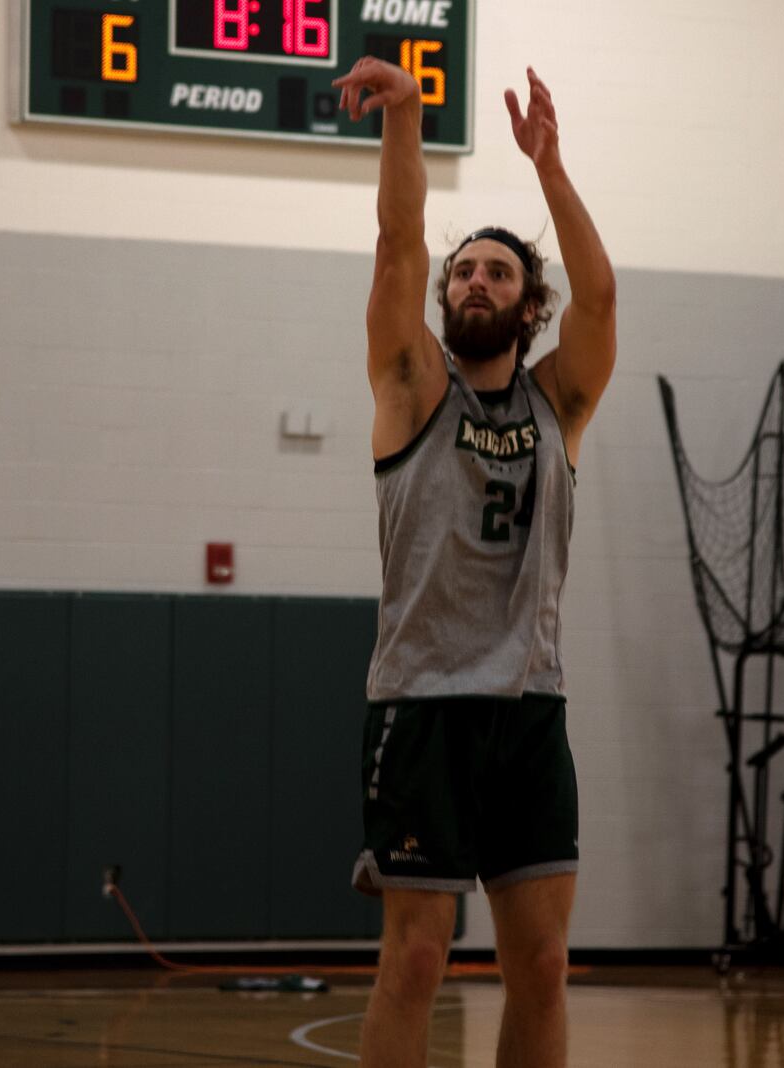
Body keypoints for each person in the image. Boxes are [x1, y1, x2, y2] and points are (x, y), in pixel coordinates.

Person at [333, 55, 616, 1068]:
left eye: (497, 271)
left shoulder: (559, 402)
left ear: (525, 306)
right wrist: (405, 117)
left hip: (530, 705)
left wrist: (549, 167)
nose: (474, 280)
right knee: (414, 962)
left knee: (540, 966)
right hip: (423, 703)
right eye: (466, 270)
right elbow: (397, 244)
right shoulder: (412, 386)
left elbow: (602, 294)